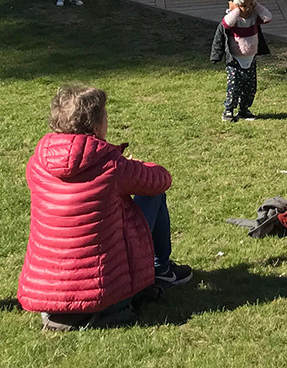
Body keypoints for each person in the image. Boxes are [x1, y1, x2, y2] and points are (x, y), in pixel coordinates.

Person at [18, 86, 192, 331]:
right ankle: (161, 268)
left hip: (46, 295)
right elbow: (160, 179)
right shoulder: (111, 165)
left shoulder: (36, 163)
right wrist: (138, 165)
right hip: (101, 291)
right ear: (96, 124)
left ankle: (63, 309)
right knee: (153, 195)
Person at [211, 0, 273, 123]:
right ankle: (228, 110)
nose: (248, 9)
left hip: (251, 59)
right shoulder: (231, 20)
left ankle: (244, 109)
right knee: (234, 86)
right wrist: (236, 9)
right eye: (243, 6)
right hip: (235, 60)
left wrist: (255, 5)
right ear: (234, 5)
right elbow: (225, 26)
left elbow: (268, 17)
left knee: (250, 87)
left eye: (251, 5)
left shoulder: (254, 18)